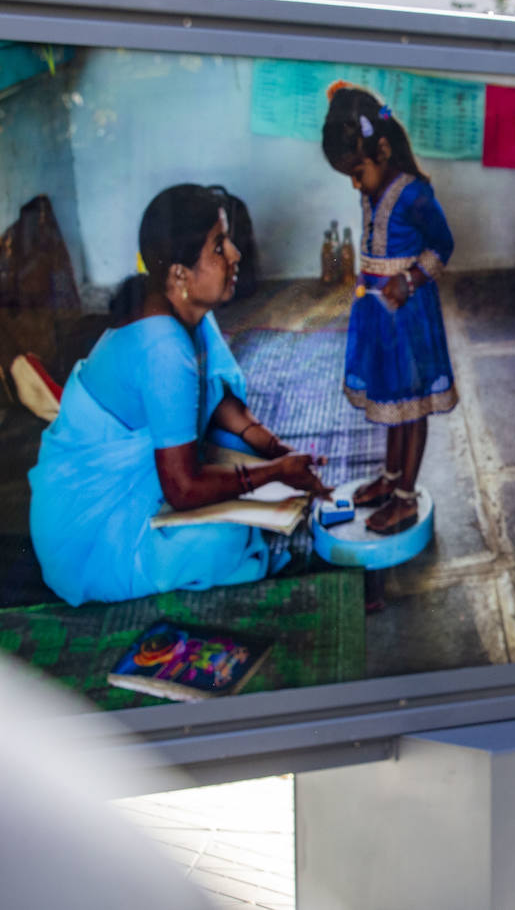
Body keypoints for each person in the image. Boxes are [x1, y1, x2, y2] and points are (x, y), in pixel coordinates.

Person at [28, 184, 330, 606]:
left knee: (232, 453)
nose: (235, 255)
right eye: (218, 248)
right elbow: (183, 489)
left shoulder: (177, 308)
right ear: (179, 275)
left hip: (130, 488)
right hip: (91, 533)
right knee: (225, 539)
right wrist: (276, 471)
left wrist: (272, 447)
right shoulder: (162, 347)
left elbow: (214, 392)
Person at [322, 84, 459, 535]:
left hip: (410, 315)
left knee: (411, 406)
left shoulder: (415, 194)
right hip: (378, 317)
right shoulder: (371, 190)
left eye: (358, 171)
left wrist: (410, 279)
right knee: (393, 405)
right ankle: (390, 479)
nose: (356, 183)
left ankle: (404, 499)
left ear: (382, 148)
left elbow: (444, 245)